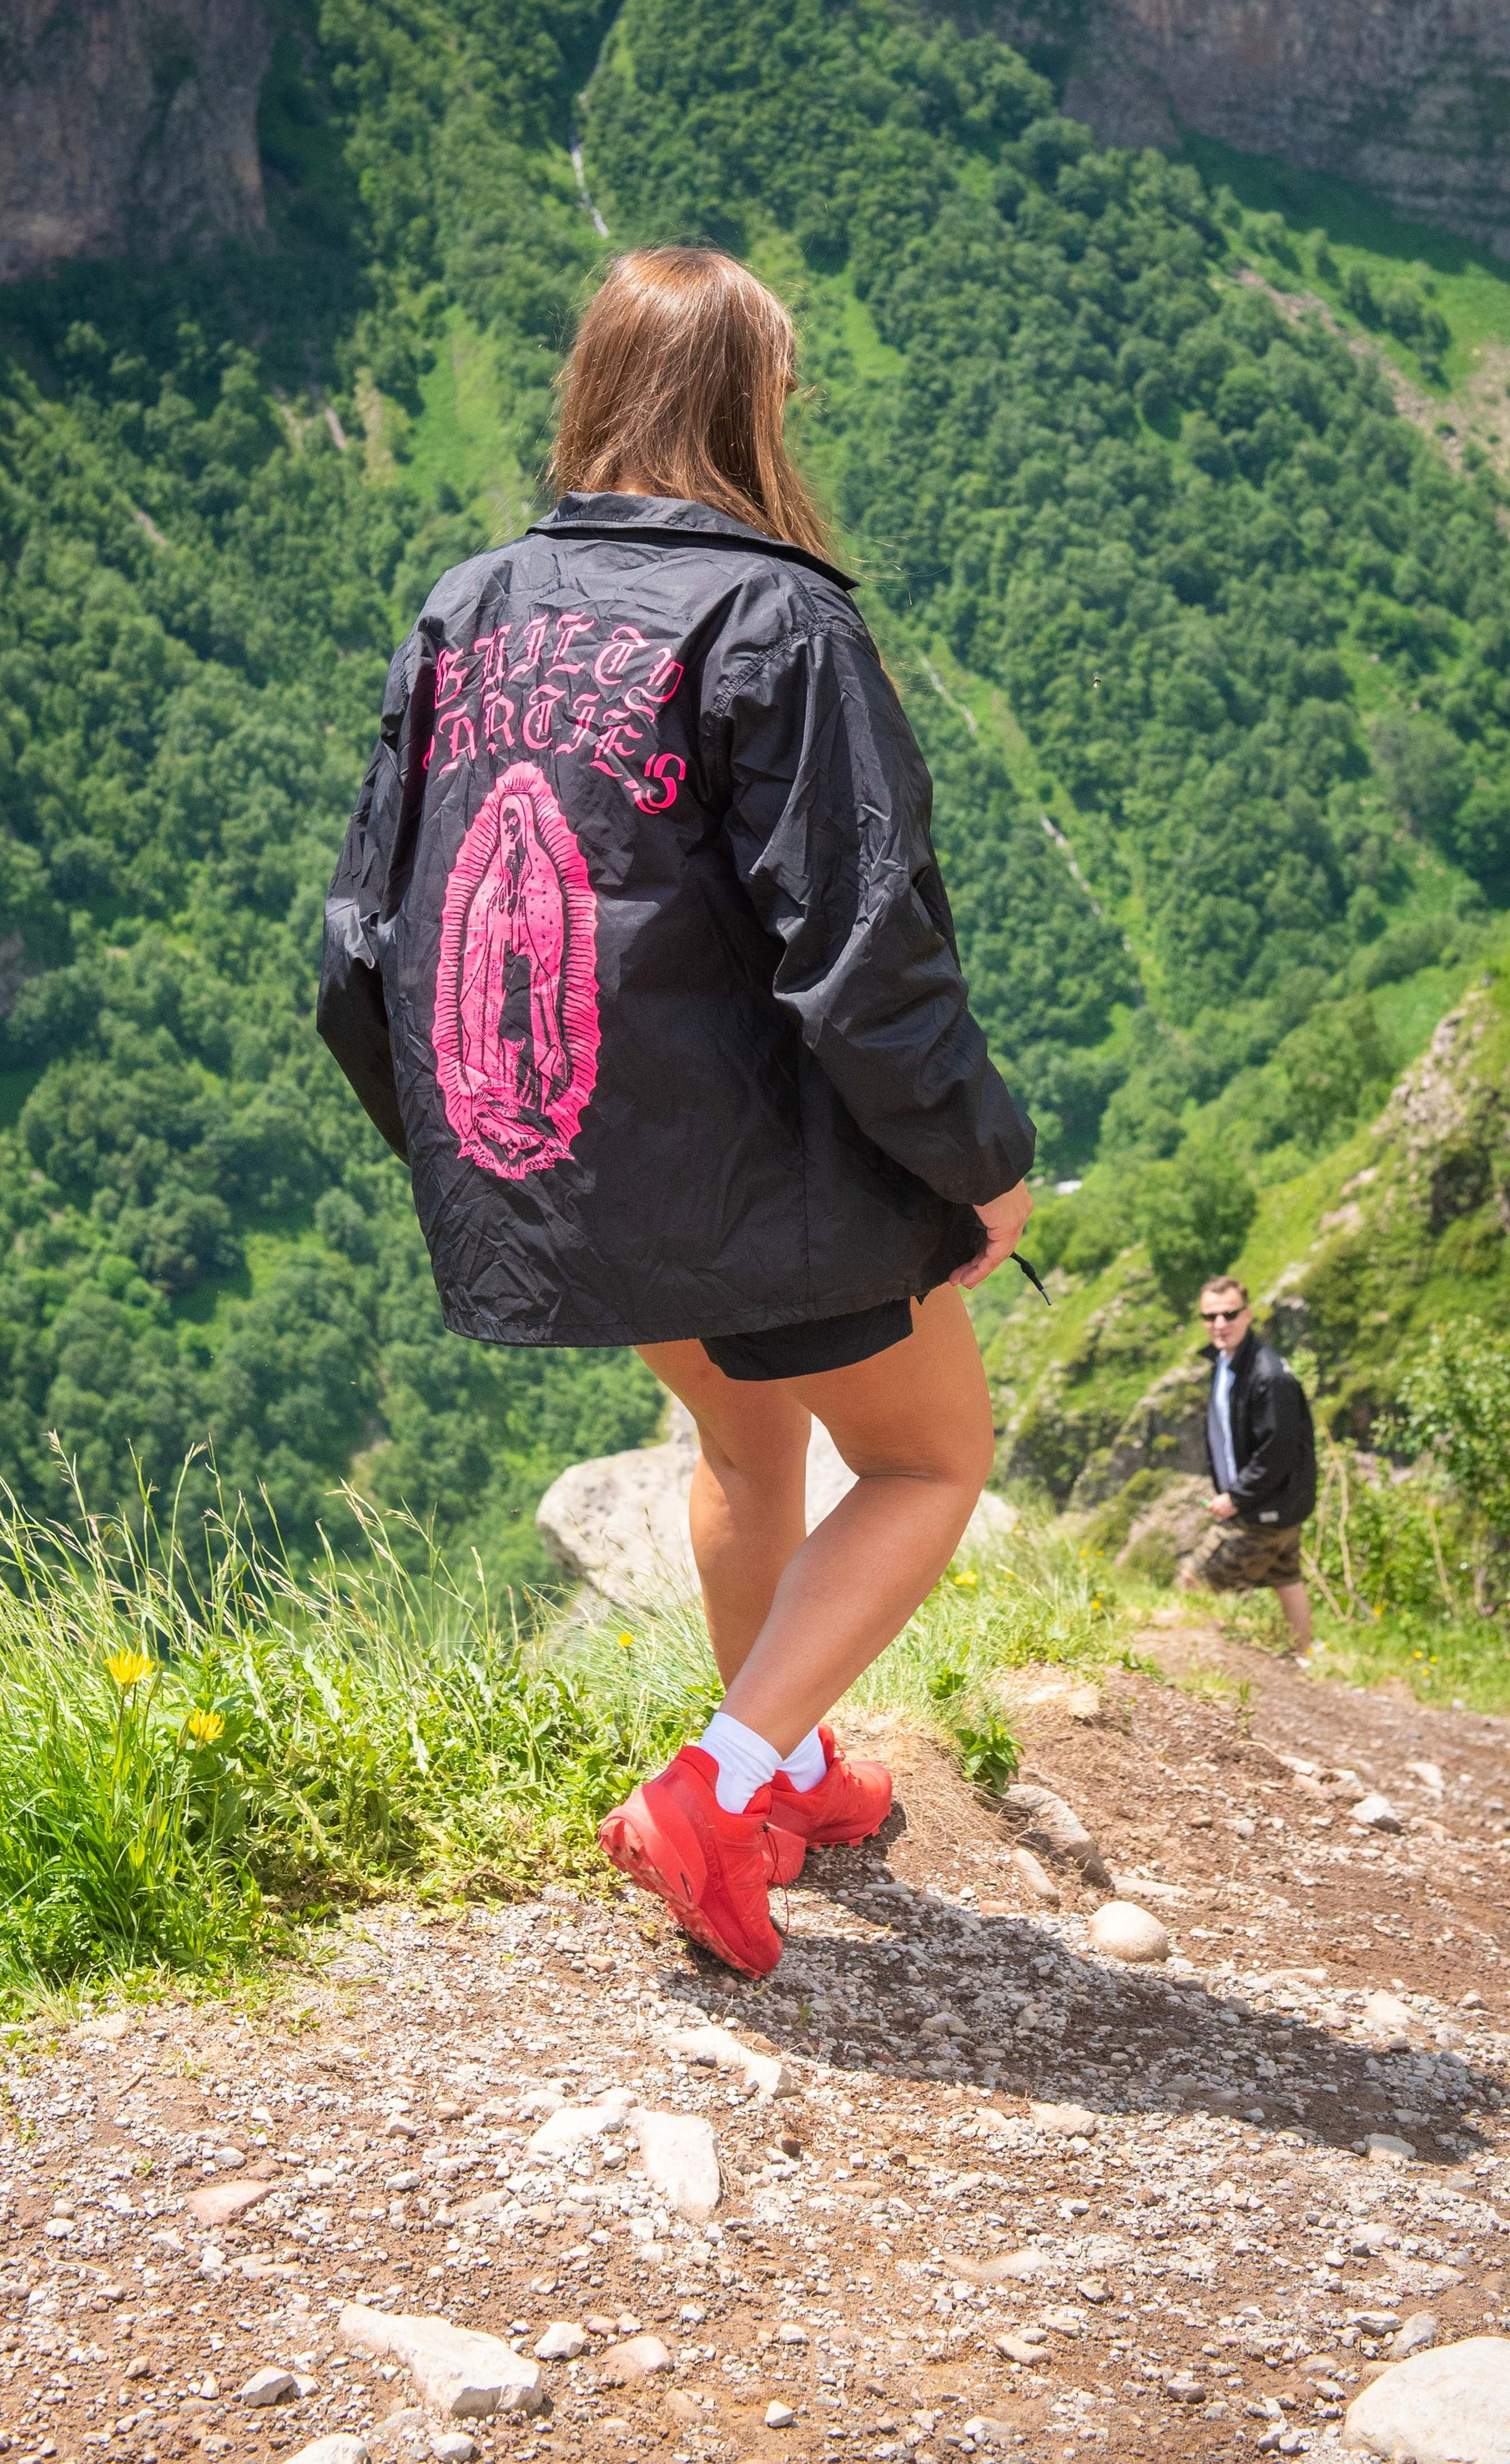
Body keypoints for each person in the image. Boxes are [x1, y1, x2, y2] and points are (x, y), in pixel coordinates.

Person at [317, 244, 1035, 1978]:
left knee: (742, 1442)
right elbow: (863, 963)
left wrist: (476, 1151)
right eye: (780, 389)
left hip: (551, 1150)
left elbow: (357, 950)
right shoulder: (777, 622)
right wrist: (978, 1168)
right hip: (750, 1178)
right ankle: (715, 1791)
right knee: (930, 1457)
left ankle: (782, 1770)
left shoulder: (466, 608)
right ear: (749, 406)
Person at [1191, 1275, 1316, 1660]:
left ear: (1247, 1315)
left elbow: (1279, 1448)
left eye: (1229, 1314)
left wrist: (1237, 1497)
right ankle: (1304, 1661)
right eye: (1210, 1316)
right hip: (1274, 1502)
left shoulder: (1268, 1375)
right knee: (1286, 1579)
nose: (1219, 1324)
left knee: (1195, 1584)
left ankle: (1206, 1668)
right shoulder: (1226, 1361)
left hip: (1262, 1507)